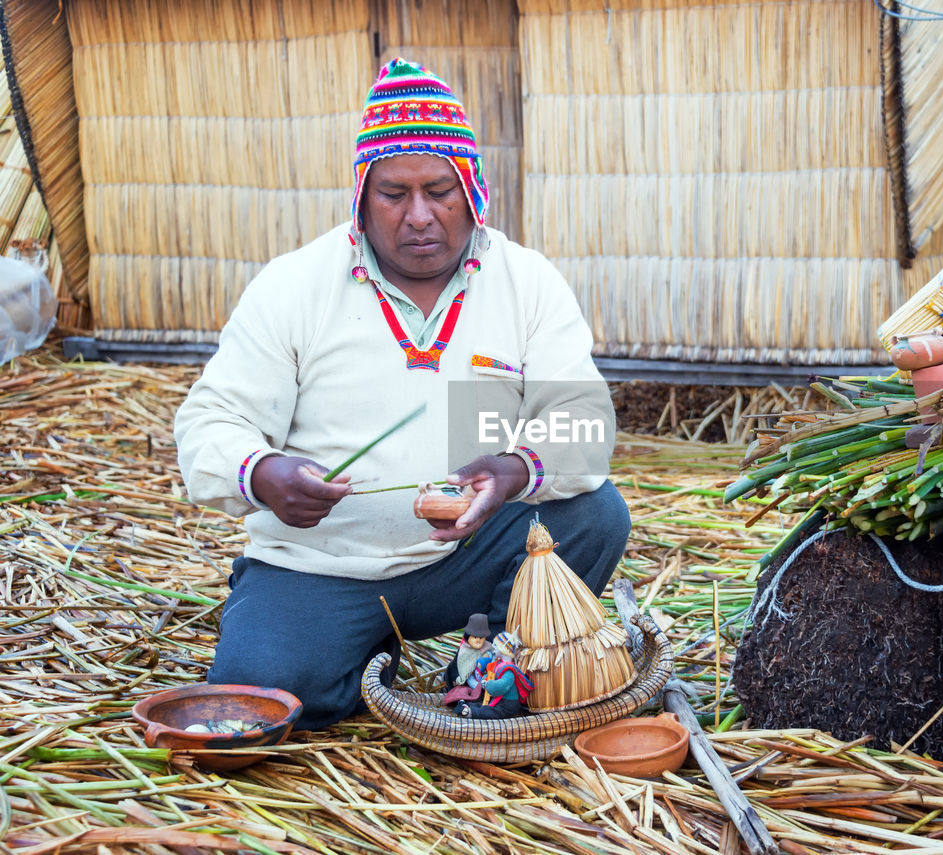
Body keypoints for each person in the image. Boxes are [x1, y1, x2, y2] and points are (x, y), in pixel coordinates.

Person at [174, 59, 630, 730]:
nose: (419, 216)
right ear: (361, 196)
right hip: (323, 563)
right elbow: (210, 420)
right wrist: (263, 473)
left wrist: (512, 470)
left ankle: (483, 674)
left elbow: (587, 423)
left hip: (467, 556)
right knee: (268, 701)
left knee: (594, 516)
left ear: (472, 189)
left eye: (439, 190)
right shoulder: (294, 286)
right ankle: (354, 648)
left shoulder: (526, 282)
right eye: (394, 193)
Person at [455, 631, 532, 719]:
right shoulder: (499, 663)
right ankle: (468, 706)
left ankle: (470, 712)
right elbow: (492, 675)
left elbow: (502, 686)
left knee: (491, 712)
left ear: (503, 650)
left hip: (508, 704)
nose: (493, 647)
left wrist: (488, 684)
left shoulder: (509, 670)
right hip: (499, 699)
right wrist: (486, 679)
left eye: (496, 645)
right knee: (484, 704)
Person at [442, 613, 493, 706]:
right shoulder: (464, 651)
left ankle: (480, 693)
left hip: (484, 677)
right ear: (468, 636)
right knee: (462, 690)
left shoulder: (489, 648)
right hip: (467, 680)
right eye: (475, 637)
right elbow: (457, 667)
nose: (478, 640)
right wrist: (458, 679)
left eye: (481, 637)